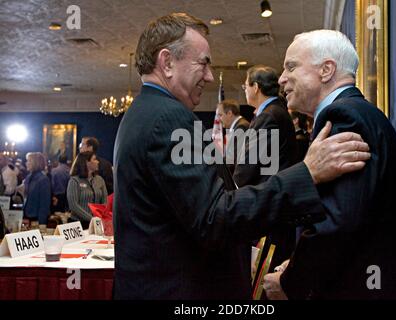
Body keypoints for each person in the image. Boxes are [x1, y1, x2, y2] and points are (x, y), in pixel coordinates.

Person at [113, 13, 371, 300]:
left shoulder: (142, 113)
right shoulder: (168, 119)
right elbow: (214, 218)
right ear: (167, 62)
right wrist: (307, 172)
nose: (210, 76)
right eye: (204, 63)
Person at [263, 30, 396, 300]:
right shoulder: (355, 112)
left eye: (291, 66)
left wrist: (290, 281)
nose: (282, 78)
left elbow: (336, 223)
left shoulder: (344, 116)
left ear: (326, 69)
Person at [233, 65, 299, 269]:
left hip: (269, 210)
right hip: (276, 206)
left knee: (264, 278)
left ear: (256, 87)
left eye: (246, 85)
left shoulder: (269, 116)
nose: (245, 90)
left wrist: (233, 183)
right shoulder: (275, 111)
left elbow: (247, 169)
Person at [67, 151, 107, 229]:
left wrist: (101, 217)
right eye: (94, 159)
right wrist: (91, 218)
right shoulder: (74, 181)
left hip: (97, 223)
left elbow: (105, 202)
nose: (98, 162)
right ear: (86, 162)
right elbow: (73, 205)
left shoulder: (100, 180)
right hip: (78, 224)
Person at [218, 99, 249, 175]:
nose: (219, 119)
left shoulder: (241, 127)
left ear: (229, 113)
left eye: (220, 115)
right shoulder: (239, 126)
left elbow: (234, 160)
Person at [23, 152, 51, 228]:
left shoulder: (43, 179)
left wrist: (41, 224)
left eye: (29, 161)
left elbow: (44, 205)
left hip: (36, 220)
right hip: (26, 217)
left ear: (36, 163)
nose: (26, 163)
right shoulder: (28, 177)